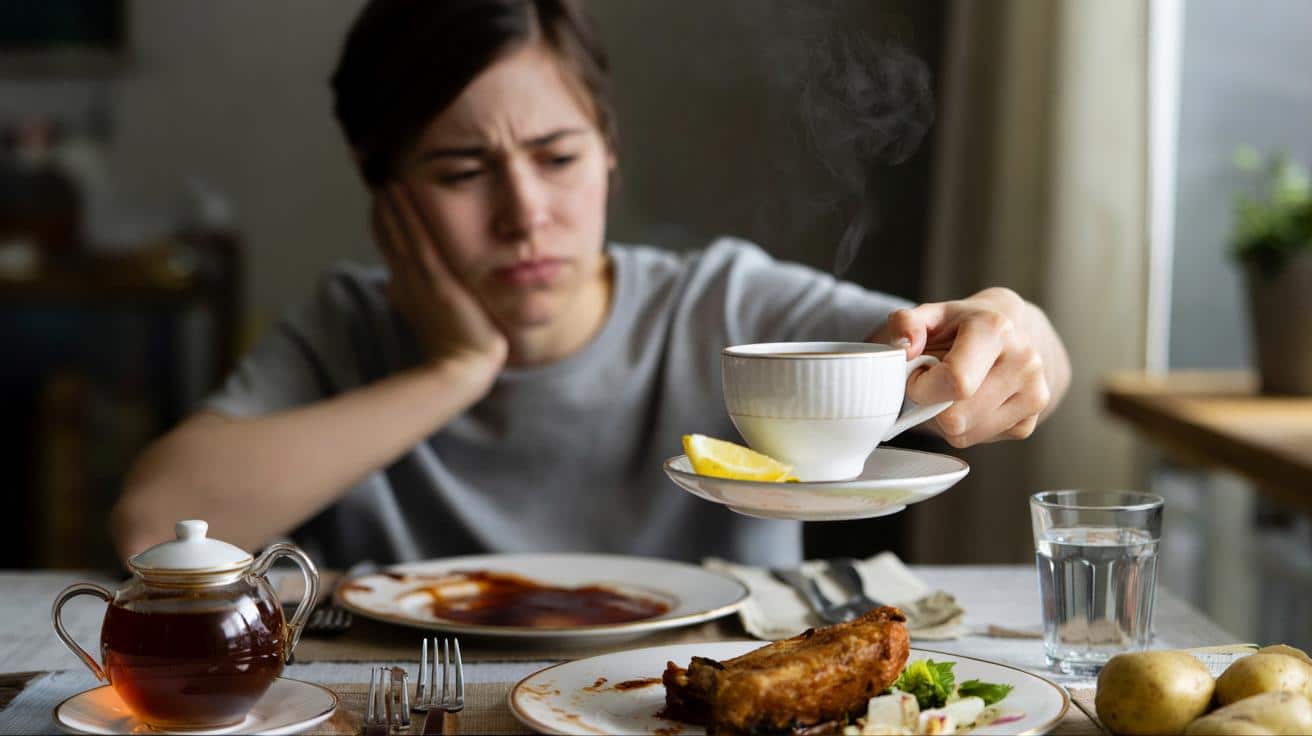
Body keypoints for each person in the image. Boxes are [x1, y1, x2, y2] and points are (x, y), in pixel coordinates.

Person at [110, 0, 1070, 569]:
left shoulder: (724, 305)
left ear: (608, 153)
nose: (524, 212)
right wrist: (454, 369)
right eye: (459, 172)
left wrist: (1015, 334)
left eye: (558, 156)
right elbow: (153, 526)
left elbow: (970, 354)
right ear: (386, 192)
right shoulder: (350, 325)